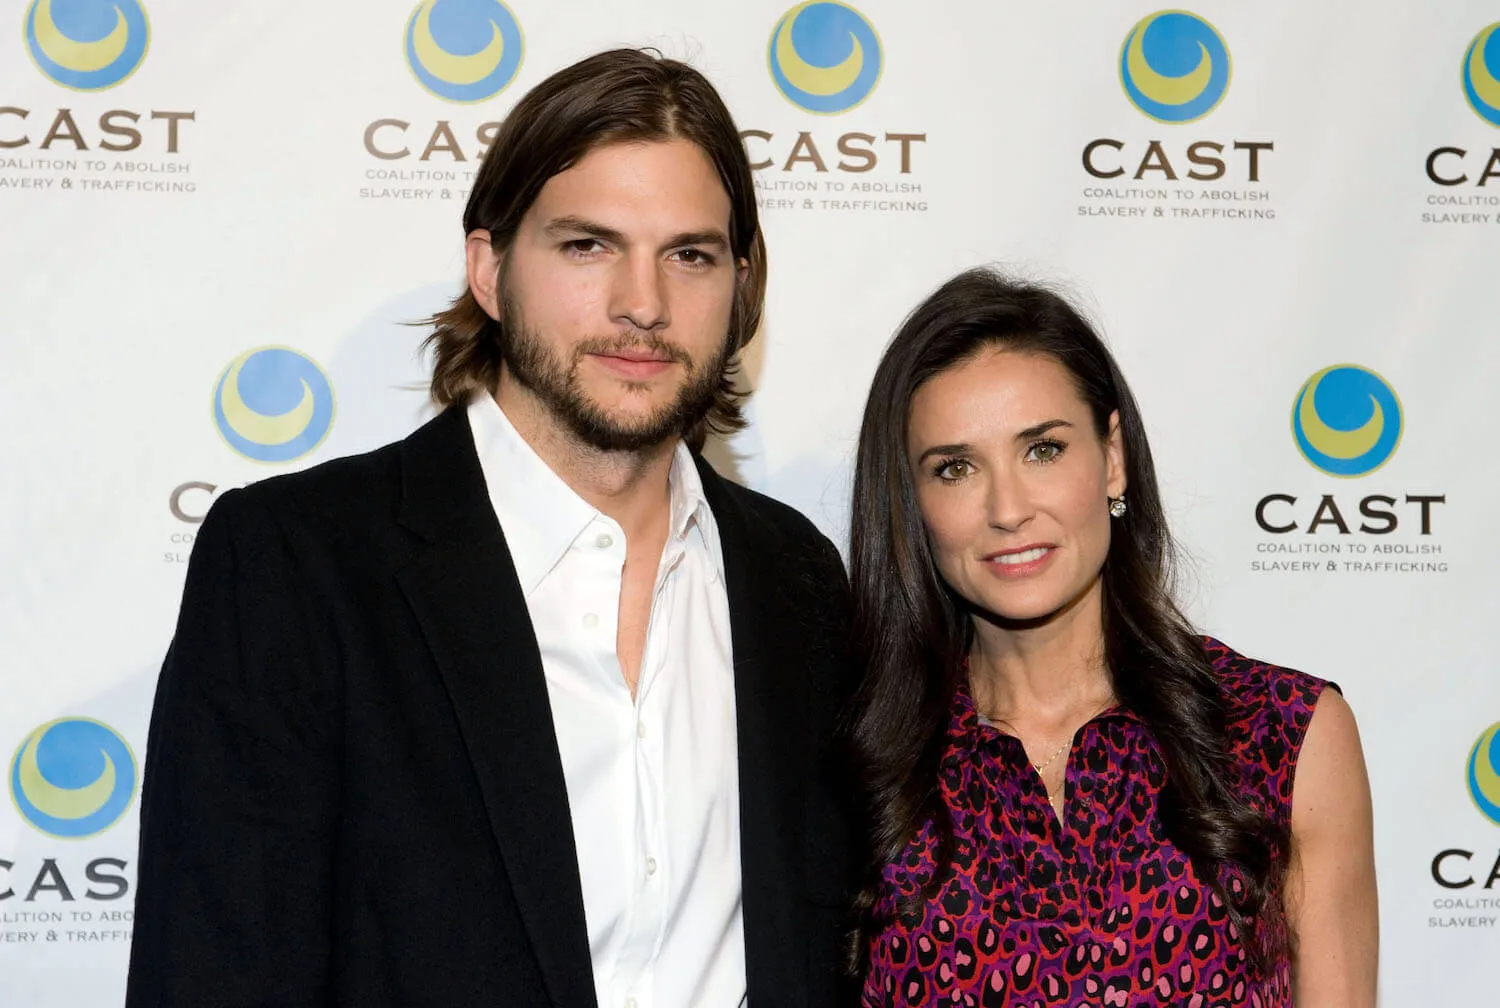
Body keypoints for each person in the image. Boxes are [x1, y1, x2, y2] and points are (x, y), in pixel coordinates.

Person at [127, 50, 857, 1008]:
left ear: (740, 284)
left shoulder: (794, 575)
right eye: (587, 246)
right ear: (488, 268)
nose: (644, 304)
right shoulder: (297, 565)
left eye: (690, 254)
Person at [846, 269, 1378, 1006]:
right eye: (956, 468)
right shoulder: (869, 769)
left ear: (1114, 456)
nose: (1008, 508)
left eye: (1043, 450)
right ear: (912, 502)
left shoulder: (1283, 733)